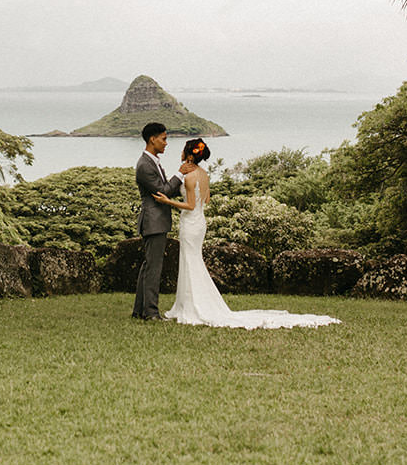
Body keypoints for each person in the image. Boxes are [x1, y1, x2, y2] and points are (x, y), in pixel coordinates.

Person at [156, 138, 339, 329]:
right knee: (193, 261)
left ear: (189, 154)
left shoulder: (191, 176)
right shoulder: (203, 174)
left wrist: (167, 201)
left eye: (183, 150)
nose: (181, 153)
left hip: (190, 222)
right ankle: (190, 303)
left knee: (190, 261)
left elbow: (191, 205)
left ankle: (193, 306)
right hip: (200, 221)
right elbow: (206, 200)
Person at [132, 122, 184, 320]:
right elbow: (162, 190)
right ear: (152, 139)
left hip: (155, 221)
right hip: (153, 221)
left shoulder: (152, 161)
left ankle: (140, 310)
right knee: (154, 268)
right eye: (164, 139)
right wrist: (180, 173)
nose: (166, 143)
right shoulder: (145, 165)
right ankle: (151, 312)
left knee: (148, 266)